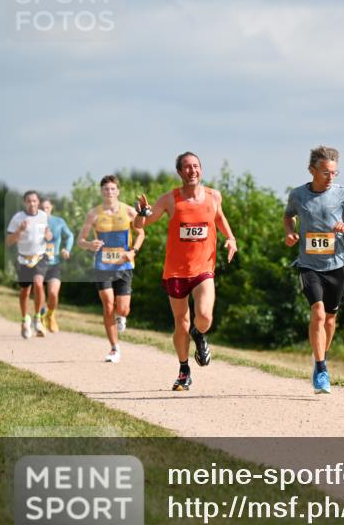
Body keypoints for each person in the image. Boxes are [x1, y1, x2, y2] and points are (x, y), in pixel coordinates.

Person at [133, 151, 238, 391]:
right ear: (179, 172)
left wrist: (231, 238)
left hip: (204, 268)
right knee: (180, 324)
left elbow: (219, 218)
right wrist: (140, 214)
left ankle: (199, 335)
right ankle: (184, 369)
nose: (192, 170)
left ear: (201, 170)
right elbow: (141, 225)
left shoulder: (214, 196)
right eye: (187, 167)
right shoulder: (170, 199)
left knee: (205, 316)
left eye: (196, 166)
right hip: (176, 271)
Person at [283, 145, 344, 394]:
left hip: (336, 265)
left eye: (334, 173)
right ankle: (321, 367)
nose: (330, 177)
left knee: (331, 319)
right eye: (325, 172)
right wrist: (290, 232)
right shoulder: (298, 194)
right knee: (318, 312)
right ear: (312, 170)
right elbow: (288, 215)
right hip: (308, 265)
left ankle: (321, 357)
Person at [77, 175, 145, 363]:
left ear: (118, 191)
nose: (109, 192)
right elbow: (80, 240)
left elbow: (141, 234)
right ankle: (114, 348)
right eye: (106, 189)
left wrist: (133, 251)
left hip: (124, 264)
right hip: (102, 264)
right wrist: (90, 245)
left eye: (113, 189)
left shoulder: (129, 211)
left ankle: (121, 317)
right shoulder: (94, 214)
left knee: (123, 309)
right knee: (108, 305)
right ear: (101, 191)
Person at [5, 190, 53, 339]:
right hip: (23, 259)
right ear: (24, 203)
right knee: (25, 291)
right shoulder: (18, 218)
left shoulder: (44, 216)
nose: (32, 203)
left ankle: (38, 317)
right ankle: (25, 319)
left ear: (38, 202)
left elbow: (50, 236)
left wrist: (48, 235)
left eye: (34, 201)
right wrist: (20, 230)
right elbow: (9, 241)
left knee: (38, 284)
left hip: (40, 257)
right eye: (29, 201)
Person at [38, 198, 75, 333]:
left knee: (53, 293)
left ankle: (50, 314)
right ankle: (41, 318)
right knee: (40, 294)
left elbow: (70, 235)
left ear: (51, 208)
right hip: (38, 263)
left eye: (46, 208)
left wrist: (67, 249)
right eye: (41, 208)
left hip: (54, 264)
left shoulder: (59, 222)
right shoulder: (33, 223)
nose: (44, 210)